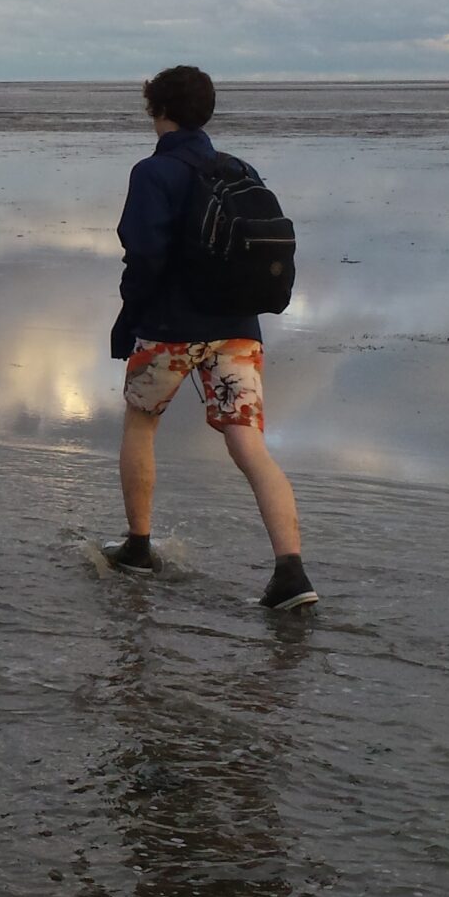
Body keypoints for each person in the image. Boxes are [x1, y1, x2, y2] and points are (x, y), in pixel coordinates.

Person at [107, 65, 318, 611]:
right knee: (249, 445)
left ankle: (138, 546)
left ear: (157, 110)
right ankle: (291, 572)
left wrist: (130, 316)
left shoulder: (153, 174)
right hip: (238, 330)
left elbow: (145, 255)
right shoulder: (238, 169)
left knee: (141, 421)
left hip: (169, 330)